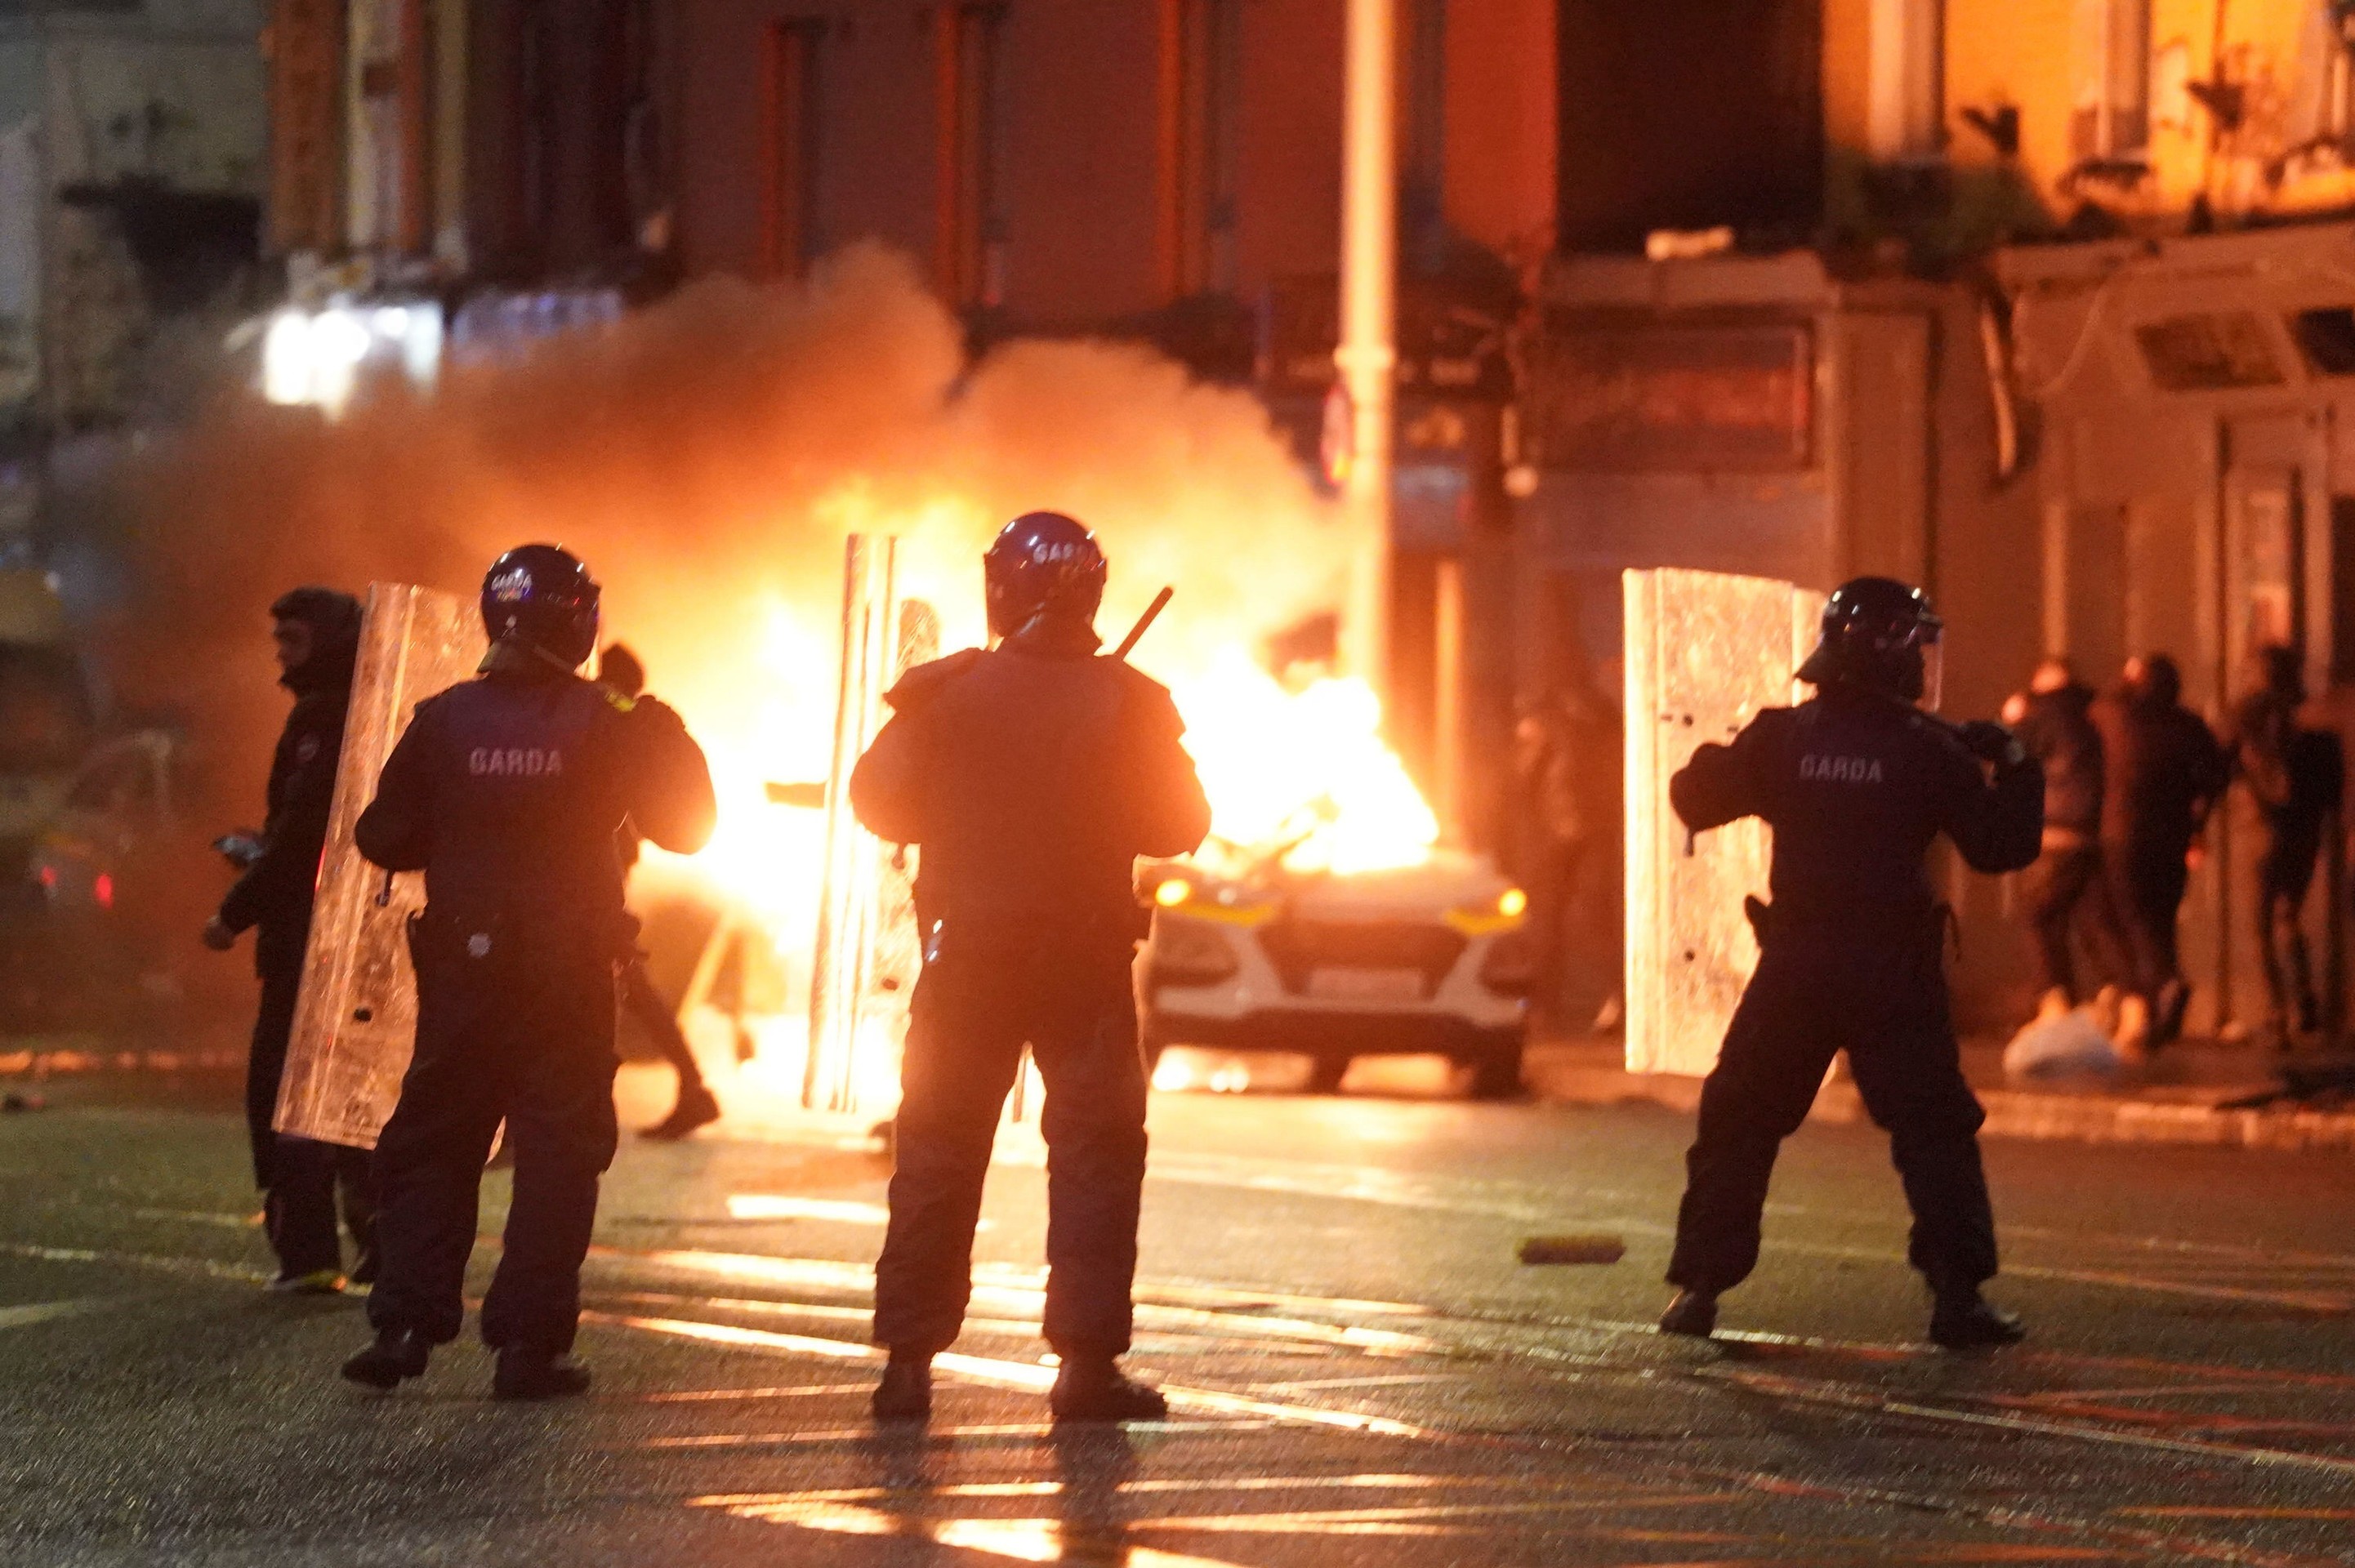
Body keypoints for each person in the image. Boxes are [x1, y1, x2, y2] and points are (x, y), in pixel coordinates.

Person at [850, 511, 1211, 1423]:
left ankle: (907, 1368)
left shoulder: (949, 691)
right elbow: (1182, 825)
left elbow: (878, 801)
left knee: (937, 1149)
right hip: (1081, 965)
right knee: (1095, 1156)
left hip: (966, 960)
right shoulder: (1128, 700)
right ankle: (1086, 1368)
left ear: (1001, 588)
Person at [338, 545, 715, 1401]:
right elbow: (689, 827)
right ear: (578, 621)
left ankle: (401, 1325)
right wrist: (661, 727)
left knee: (435, 1143)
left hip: (465, 972)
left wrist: (466, 827)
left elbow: (381, 838)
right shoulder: (615, 714)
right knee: (556, 1155)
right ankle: (527, 1348)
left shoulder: (443, 718)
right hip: (569, 972)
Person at [1659, 577, 2041, 1349]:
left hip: (1797, 965)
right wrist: (2014, 763)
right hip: (1892, 974)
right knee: (1932, 1130)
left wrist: (1729, 748)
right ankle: (1956, 1298)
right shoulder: (1929, 752)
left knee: (1738, 1119)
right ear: (1892, 653)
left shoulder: (1783, 738)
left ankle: (1699, 1290)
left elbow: (1694, 799)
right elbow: (2001, 847)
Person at [203, 587, 375, 1294]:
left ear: (330, 640)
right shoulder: (370, 708)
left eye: (293, 639)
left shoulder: (321, 716)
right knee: (351, 1095)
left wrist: (235, 910)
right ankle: (383, 1248)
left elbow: (306, 840)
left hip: (310, 942)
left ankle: (307, 1253)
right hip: (356, 940)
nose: (280, 651)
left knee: (287, 1094)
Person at [595, 643, 722, 1139]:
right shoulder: (631, 723)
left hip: (594, 874)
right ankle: (695, 1088)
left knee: (617, 980)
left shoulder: (612, 719)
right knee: (631, 983)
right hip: (601, 872)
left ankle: (695, 1088)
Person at [2092, 653, 2229, 1051]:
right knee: (2162, 918)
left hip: (2123, 832)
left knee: (2128, 918)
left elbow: (2101, 705)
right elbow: (2215, 775)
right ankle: (2159, 1010)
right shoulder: (2190, 726)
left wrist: (2125, 677)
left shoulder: (2117, 716)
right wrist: (2197, 825)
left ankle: (2164, 984)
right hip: (2173, 836)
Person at [2224, 646, 2345, 1045]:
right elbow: (2333, 784)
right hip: (2303, 832)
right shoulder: (2313, 717)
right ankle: (2305, 1003)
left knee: (2259, 926)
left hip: (2257, 828)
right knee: (2288, 916)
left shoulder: (2244, 713)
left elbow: (2220, 764)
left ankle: (2277, 1015)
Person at [2008, 657, 2128, 1018]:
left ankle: (2055, 999)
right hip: (2091, 831)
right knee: (2090, 918)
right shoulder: (2094, 716)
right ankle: (2120, 989)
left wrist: (2014, 721)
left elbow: (2008, 756)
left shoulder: (2044, 717)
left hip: (2056, 833)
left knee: (2039, 917)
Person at [1508, 657, 1622, 1031]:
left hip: (1583, 832)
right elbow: (1526, 783)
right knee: (1554, 919)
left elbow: (1526, 782)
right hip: (1568, 832)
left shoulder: (1578, 724)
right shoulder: (1596, 721)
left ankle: (1603, 1001)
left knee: (1584, 918)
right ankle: (1545, 1005)